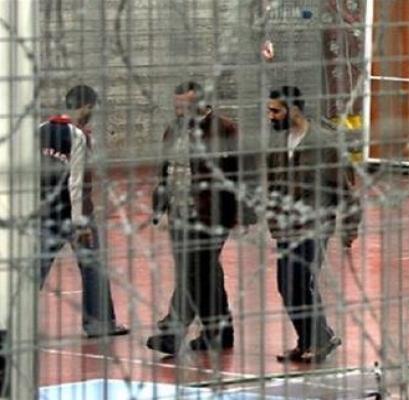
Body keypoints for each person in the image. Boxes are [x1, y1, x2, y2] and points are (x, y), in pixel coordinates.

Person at [147, 81, 256, 355]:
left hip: (212, 215)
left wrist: (245, 213)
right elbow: (166, 169)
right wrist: (160, 206)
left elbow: (244, 172)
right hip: (179, 213)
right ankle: (219, 332)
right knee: (205, 273)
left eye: (186, 105)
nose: (181, 110)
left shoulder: (226, 130)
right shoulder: (173, 130)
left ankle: (174, 329)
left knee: (193, 271)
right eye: (177, 106)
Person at [266, 86, 360, 363]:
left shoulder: (325, 144)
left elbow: (346, 190)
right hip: (286, 226)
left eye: (275, 110)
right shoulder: (279, 144)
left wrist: (349, 228)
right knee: (286, 285)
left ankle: (320, 339)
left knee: (301, 282)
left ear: (293, 110)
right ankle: (308, 338)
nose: (270, 116)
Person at [38, 84, 129, 338]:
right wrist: (79, 223)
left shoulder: (40, 131)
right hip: (74, 213)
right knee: (93, 267)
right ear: (87, 106)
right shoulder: (78, 136)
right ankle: (99, 323)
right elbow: (75, 181)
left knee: (35, 268)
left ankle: (11, 320)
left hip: (45, 212)